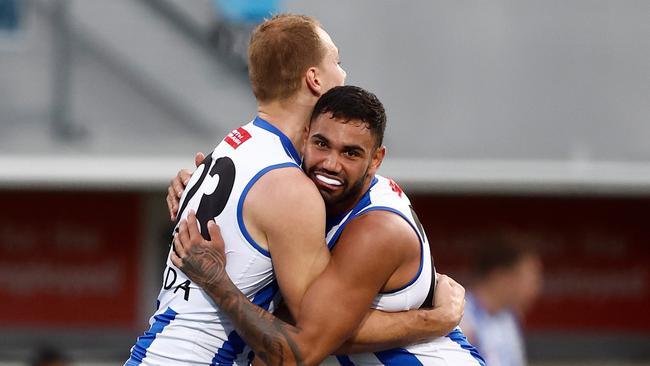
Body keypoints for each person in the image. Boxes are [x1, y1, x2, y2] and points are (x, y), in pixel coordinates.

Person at [127, 15, 464, 366]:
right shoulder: (290, 188)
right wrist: (434, 319)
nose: (344, 73)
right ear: (314, 79)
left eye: (351, 153)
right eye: (337, 61)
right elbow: (308, 341)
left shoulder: (228, 148)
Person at [171, 85, 485, 366]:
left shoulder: (377, 230)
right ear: (305, 136)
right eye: (322, 144)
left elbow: (303, 349)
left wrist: (217, 282)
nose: (331, 164)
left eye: (351, 153)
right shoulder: (306, 202)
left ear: (376, 160)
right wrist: (199, 188)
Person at [460, 234, 543, 366]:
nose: (536, 287)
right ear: (502, 276)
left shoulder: (511, 319)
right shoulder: (459, 318)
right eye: (531, 278)